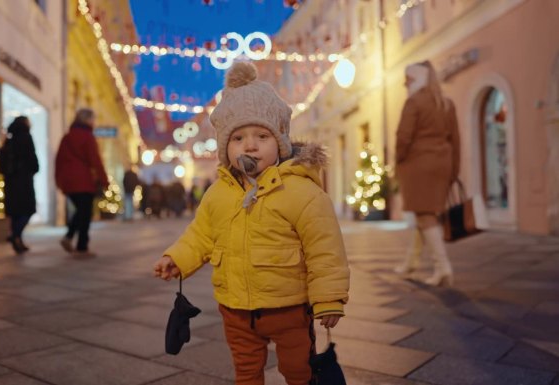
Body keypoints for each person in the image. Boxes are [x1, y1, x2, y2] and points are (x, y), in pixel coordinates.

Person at [153, 62, 350, 385]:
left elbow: (325, 249)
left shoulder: (301, 191)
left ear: (280, 143)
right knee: (246, 371)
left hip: (287, 307)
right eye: (238, 138)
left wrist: (328, 298)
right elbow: (201, 233)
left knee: (298, 369)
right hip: (236, 309)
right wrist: (177, 258)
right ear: (225, 148)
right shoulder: (218, 193)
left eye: (261, 135)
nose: (250, 145)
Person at [393, 60, 460, 286]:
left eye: (408, 79)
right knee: (426, 213)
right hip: (443, 163)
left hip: (418, 165)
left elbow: (403, 138)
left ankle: (443, 268)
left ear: (418, 79)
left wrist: (398, 162)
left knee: (424, 215)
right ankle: (410, 262)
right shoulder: (446, 103)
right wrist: (454, 170)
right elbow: (456, 140)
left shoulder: (414, 103)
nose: (405, 84)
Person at [55, 108, 109, 257]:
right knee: (85, 214)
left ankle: (69, 237)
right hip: (84, 181)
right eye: (93, 119)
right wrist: (105, 181)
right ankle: (81, 247)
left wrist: (58, 181)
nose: (94, 122)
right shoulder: (87, 136)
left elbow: (58, 160)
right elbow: (95, 161)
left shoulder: (66, 137)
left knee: (81, 211)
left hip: (69, 182)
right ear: (87, 120)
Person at [0, 116, 39, 254]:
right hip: (24, 181)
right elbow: (32, 160)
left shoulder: (9, 140)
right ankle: (16, 235)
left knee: (16, 212)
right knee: (28, 210)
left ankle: (18, 240)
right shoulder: (26, 138)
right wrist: (33, 169)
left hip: (10, 182)